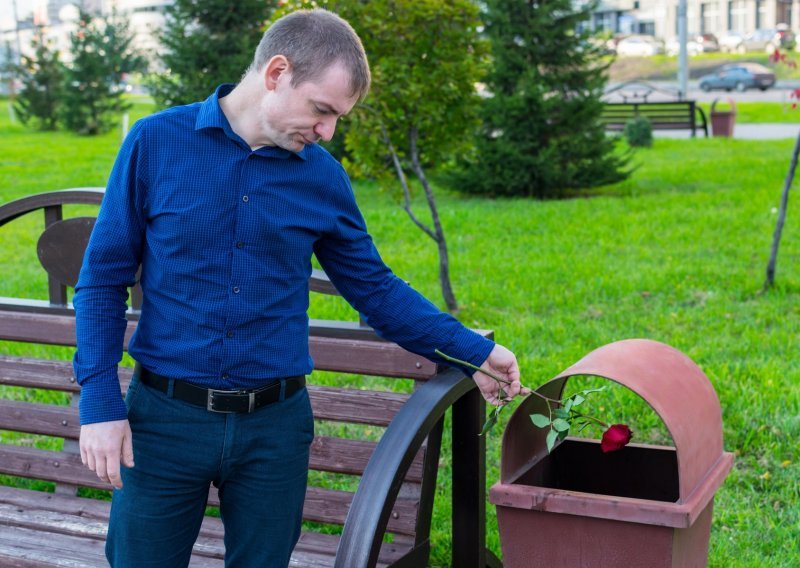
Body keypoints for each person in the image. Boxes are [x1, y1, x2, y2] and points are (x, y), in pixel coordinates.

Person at [74, 8, 525, 567]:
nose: (327, 131)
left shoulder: (321, 176)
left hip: (274, 431)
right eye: (322, 110)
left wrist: (475, 351)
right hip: (164, 424)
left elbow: (375, 290)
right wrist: (98, 401)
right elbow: (101, 282)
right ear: (276, 72)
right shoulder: (155, 143)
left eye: (338, 118)